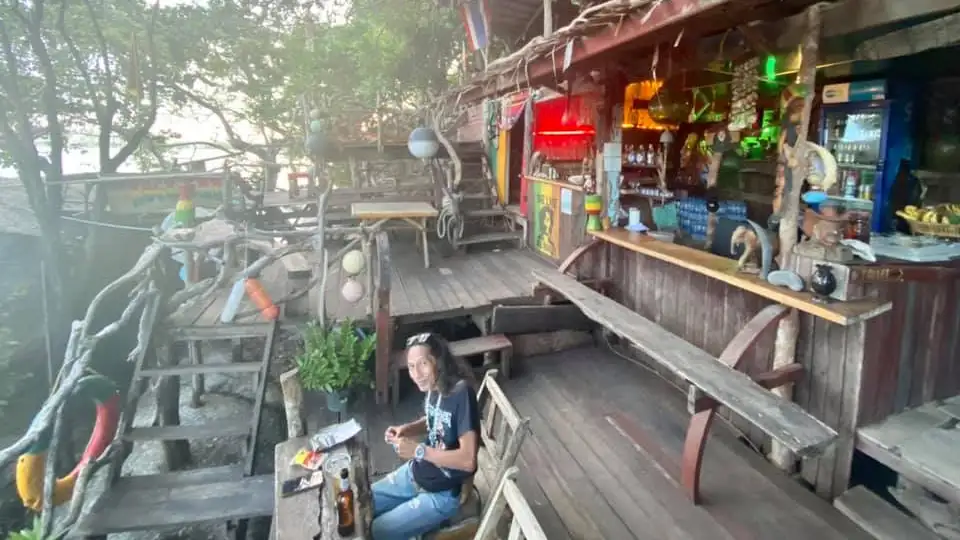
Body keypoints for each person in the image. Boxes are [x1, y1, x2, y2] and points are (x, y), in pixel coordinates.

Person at [371, 332, 480, 540]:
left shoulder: (460, 393)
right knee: (364, 501)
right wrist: (407, 429)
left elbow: (468, 461)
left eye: (423, 364)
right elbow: (436, 418)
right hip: (416, 472)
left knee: (376, 531)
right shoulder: (433, 386)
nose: (416, 374)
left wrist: (418, 451)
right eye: (411, 366)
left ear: (438, 361)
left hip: (443, 494)